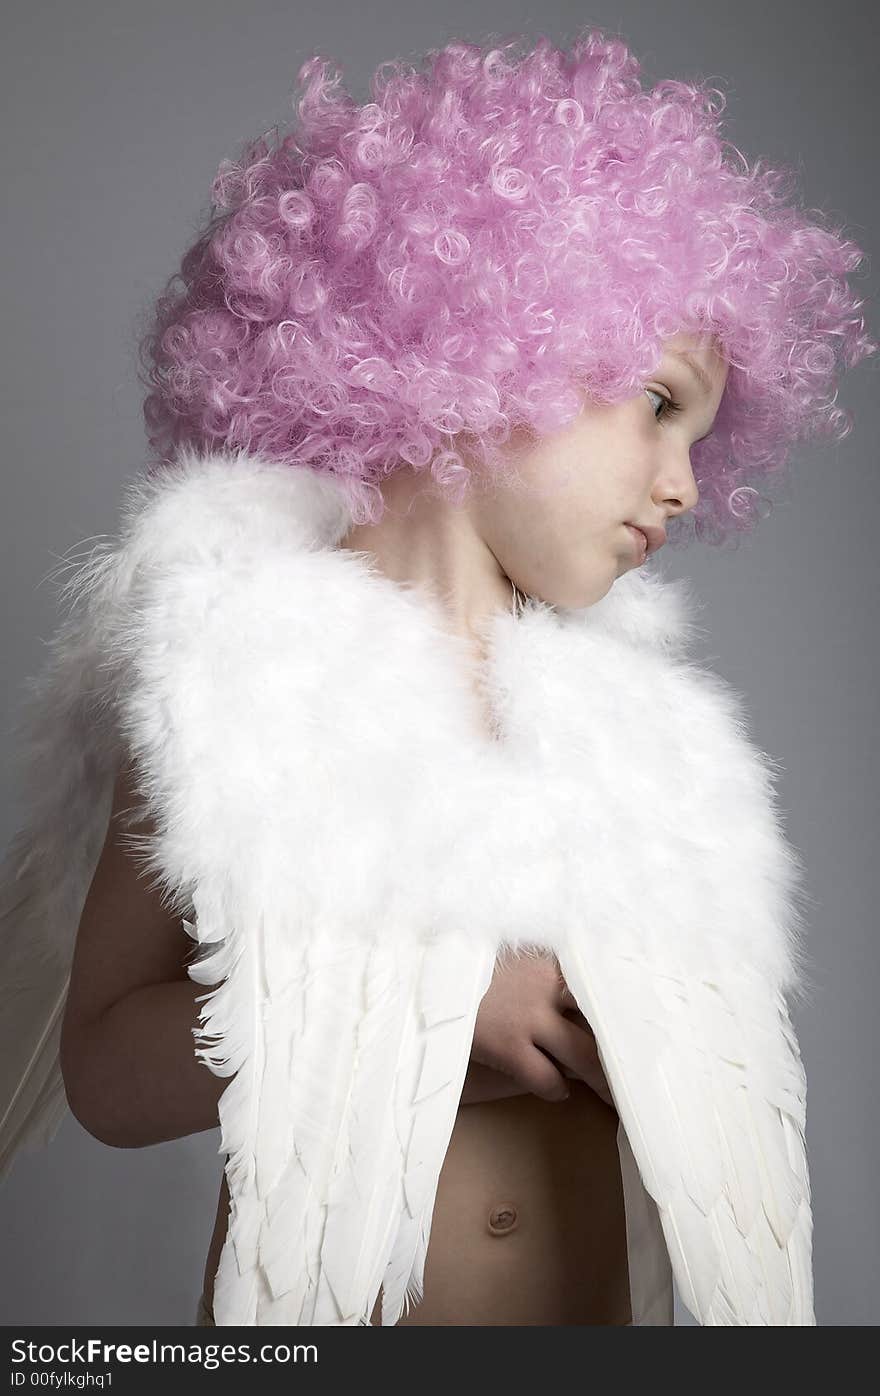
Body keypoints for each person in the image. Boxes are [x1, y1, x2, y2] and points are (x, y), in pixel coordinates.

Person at [1, 28, 873, 1328]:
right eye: (654, 401)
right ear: (484, 351)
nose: (685, 480)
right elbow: (107, 1072)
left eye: (701, 434)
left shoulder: (641, 745)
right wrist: (431, 1004)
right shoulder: (241, 682)